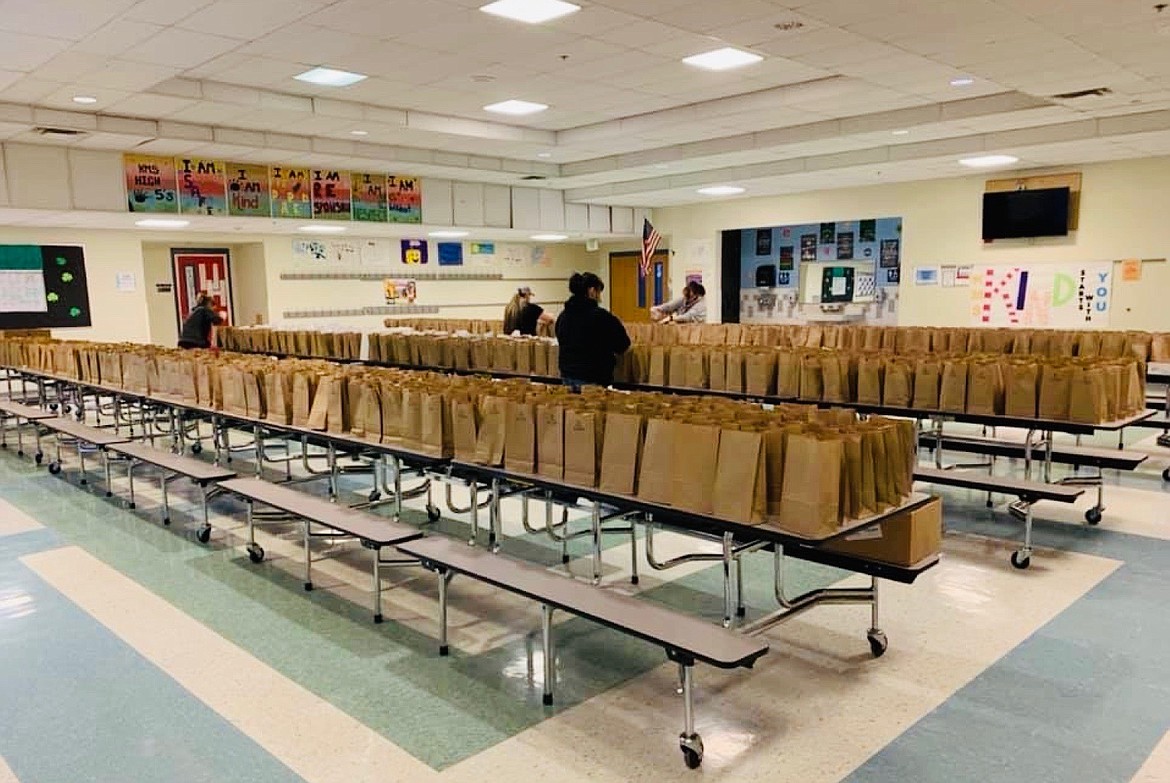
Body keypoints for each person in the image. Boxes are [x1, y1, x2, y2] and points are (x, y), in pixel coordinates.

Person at [555, 272, 630, 389]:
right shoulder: (601, 317)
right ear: (591, 291)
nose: (599, 297)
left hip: (567, 375)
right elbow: (623, 344)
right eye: (599, 292)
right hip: (593, 378)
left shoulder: (563, 316)